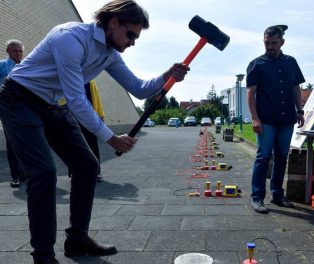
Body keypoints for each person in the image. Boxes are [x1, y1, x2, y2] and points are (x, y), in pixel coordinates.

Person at [0, 1, 189, 263]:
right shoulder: (70, 38)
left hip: (52, 103)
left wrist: (166, 76)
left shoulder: (109, 53)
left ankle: (77, 239)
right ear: (113, 22)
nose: (133, 42)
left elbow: (139, 88)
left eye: (136, 36)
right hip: (19, 99)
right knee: (43, 173)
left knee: (87, 165)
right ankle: (43, 256)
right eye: (131, 34)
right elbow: (77, 100)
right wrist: (112, 138)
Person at [246, 25, 305, 214]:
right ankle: (257, 197)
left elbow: (296, 87)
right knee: (263, 157)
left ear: (282, 42)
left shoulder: (291, 62)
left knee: (282, 157)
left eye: (273, 43)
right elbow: (250, 93)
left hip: (287, 118)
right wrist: (255, 118)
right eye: (266, 43)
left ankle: (278, 194)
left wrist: (300, 110)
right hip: (266, 120)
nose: (270, 46)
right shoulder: (257, 64)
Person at [66, 80, 105, 182]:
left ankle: (97, 172)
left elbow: (96, 97)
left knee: (92, 145)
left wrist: (100, 114)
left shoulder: (90, 80)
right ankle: (74, 171)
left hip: (89, 117)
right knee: (73, 145)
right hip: (72, 117)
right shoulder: (68, 77)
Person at [0, 39, 26, 188]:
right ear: (8, 51)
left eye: (20, 51)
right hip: (9, 110)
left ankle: (26, 173)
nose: (18, 54)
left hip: (26, 109)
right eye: (15, 51)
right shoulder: (2, 65)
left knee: (27, 142)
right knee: (12, 143)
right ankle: (15, 176)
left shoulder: (27, 65)